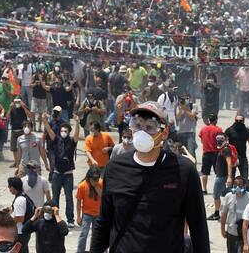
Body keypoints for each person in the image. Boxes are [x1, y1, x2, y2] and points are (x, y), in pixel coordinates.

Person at [89, 101, 210, 252]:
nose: (142, 133)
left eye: (150, 127)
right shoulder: (114, 168)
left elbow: (198, 226)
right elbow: (104, 221)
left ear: (164, 133)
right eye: (137, 125)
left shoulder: (184, 171)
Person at [43, 114, 80, 228]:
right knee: (55, 197)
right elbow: (49, 131)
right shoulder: (56, 140)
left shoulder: (71, 141)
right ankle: (55, 217)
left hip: (68, 174)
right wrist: (44, 120)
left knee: (69, 197)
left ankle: (70, 219)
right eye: (62, 130)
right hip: (57, 173)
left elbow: (77, 135)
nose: (63, 132)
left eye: (65, 130)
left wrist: (77, 123)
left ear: (68, 132)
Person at [220, 176, 249, 253]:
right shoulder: (228, 196)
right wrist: (222, 229)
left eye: (240, 185)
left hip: (245, 234)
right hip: (232, 232)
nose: (237, 187)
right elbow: (224, 214)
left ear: (245, 186)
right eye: (235, 184)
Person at [76, 166, 103, 253]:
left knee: (96, 234)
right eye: (93, 179)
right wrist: (78, 216)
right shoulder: (82, 186)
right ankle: (80, 251)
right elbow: (79, 202)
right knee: (84, 234)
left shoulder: (101, 183)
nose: (95, 181)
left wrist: (96, 187)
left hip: (98, 213)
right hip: (87, 213)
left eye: (96, 179)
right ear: (89, 177)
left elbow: (104, 197)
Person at [208, 133, 233, 221]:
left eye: (221, 139)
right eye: (217, 139)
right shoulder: (223, 149)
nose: (218, 141)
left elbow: (229, 162)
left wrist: (229, 177)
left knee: (216, 195)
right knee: (228, 195)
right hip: (222, 176)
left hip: (222, 177)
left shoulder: (225, 149)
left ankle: (217, 213)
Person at [7, 177, 35, 253]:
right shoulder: (24, 196)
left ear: (12, 187)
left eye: (9, 187)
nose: (9, 189)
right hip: (24, 231)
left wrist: (8, 223)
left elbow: (20, 218)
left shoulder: (20, 200)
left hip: (20, 232)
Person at [225, 114, 249, 181]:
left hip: (242, 157)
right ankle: (230, 191)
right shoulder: (229, 130)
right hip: (232, 158)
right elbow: (225, 144)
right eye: (237, 120)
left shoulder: (247, 131)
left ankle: (247, 191)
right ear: (234, 120)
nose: (238, 122)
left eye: (240, 121)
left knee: (245, 179)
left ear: (243, 121)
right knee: (230, 178)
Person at [199, 113, 223, 194]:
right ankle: (219, 189)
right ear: (216, 120)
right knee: (218, 173)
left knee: (205, 173)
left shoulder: (203, 129)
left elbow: (201, 139)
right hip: (216, 153)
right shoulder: (218, 129)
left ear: (209, 120)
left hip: (206, 153)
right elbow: (220, 142)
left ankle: (204, 189)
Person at [7, 98, 32, 168]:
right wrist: (10, 108)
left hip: (22, 130)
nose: (17, 103)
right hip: (14, 130)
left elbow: (30, 115)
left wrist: (23, 107)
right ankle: (16, 162)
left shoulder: (24, 107)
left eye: (18, 101)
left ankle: (23, 162)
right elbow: (7, 117)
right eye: (15, 102)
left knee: (24, 147)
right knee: (14, 148)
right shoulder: (12, 108)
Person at [42, 106, 66, 181]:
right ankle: (52, 177)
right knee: (52, 164)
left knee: (59, 164)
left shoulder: (63, 123)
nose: (55, 113)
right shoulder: (50, 122)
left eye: (57, 112)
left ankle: (57, 178)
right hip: (51, 147)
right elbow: (45, 134)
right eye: (55, 112)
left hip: (59, 147)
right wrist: (43, 146)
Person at [176, 93, 198, 159]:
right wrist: (181, 109)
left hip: (190, 132)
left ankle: (193, 167)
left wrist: (186, 109)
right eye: (184, 99)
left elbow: (192, 117)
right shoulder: (179, 107)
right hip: (181, 132)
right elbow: (178, 118)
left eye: (187, 99)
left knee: (191, 152)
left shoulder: (194, 106)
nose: (185, 100)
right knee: (180, 152)